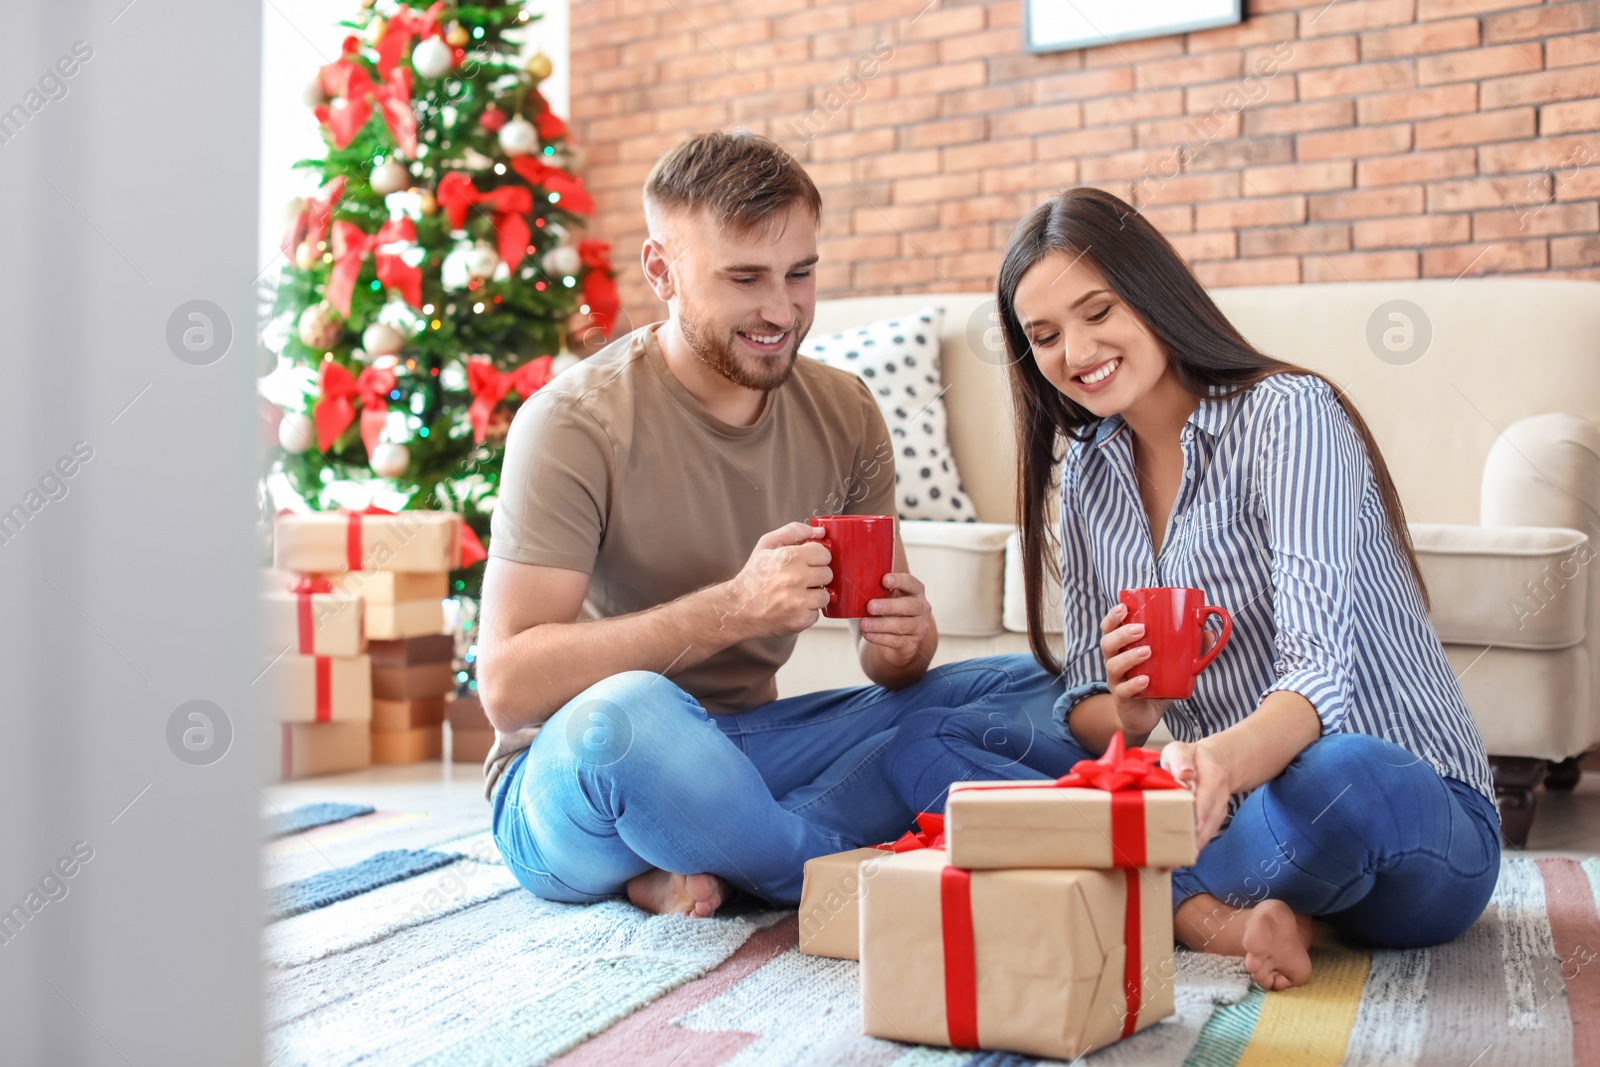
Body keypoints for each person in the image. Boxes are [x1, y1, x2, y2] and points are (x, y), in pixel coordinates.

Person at [887, 187, 1498, 990]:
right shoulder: (1090, 477)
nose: (1075, 350)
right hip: (1241, 818)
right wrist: (1133, 714)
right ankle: (1246, 914)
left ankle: (1184, 902)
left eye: (1096, 310)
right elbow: (1086, 702)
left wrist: (1208, 762)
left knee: (1339, 776)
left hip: (1410, 811)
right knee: (932, 741)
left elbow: (1317, 675)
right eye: (1043, 335)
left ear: (1151, 292)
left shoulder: (1288, 416)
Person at [476, 130, 1064, 918]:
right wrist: (733, 609)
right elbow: (508, 687)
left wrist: (904, 643)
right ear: (662, 271)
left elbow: (887, 665)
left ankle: (709, 852)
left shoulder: (845, 411)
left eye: (801, 273)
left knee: (1037, 686)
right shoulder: (574, 423)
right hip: (576, 779)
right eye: (744, 277)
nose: (781, 310)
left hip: (751, 750)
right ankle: (819, 873)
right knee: (629, 719)